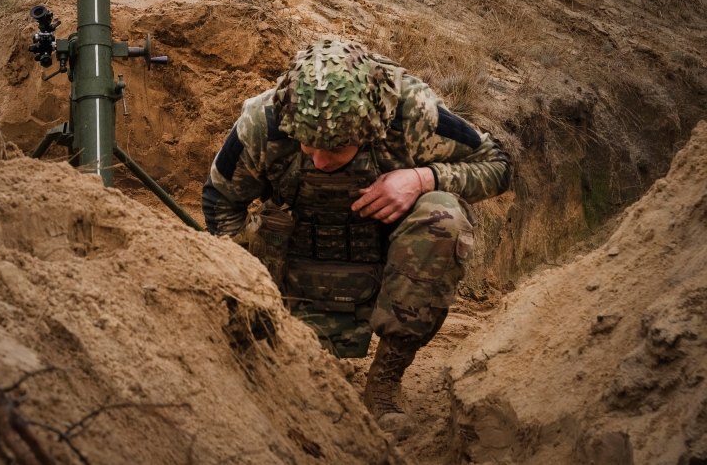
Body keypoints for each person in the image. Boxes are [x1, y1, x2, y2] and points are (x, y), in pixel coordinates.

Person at [202, 39, 509, 439]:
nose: (320, 161)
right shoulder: (265, 121)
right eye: (307, 145)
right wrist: (243, 283)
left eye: (336, 150)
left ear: (372, 130)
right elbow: (220, 198)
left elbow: (497, 165)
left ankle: (384, 384)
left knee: (443, 216)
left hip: (385, 264)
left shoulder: (412, 115)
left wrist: (422, 178)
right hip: (290, 263)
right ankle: (271, 359)